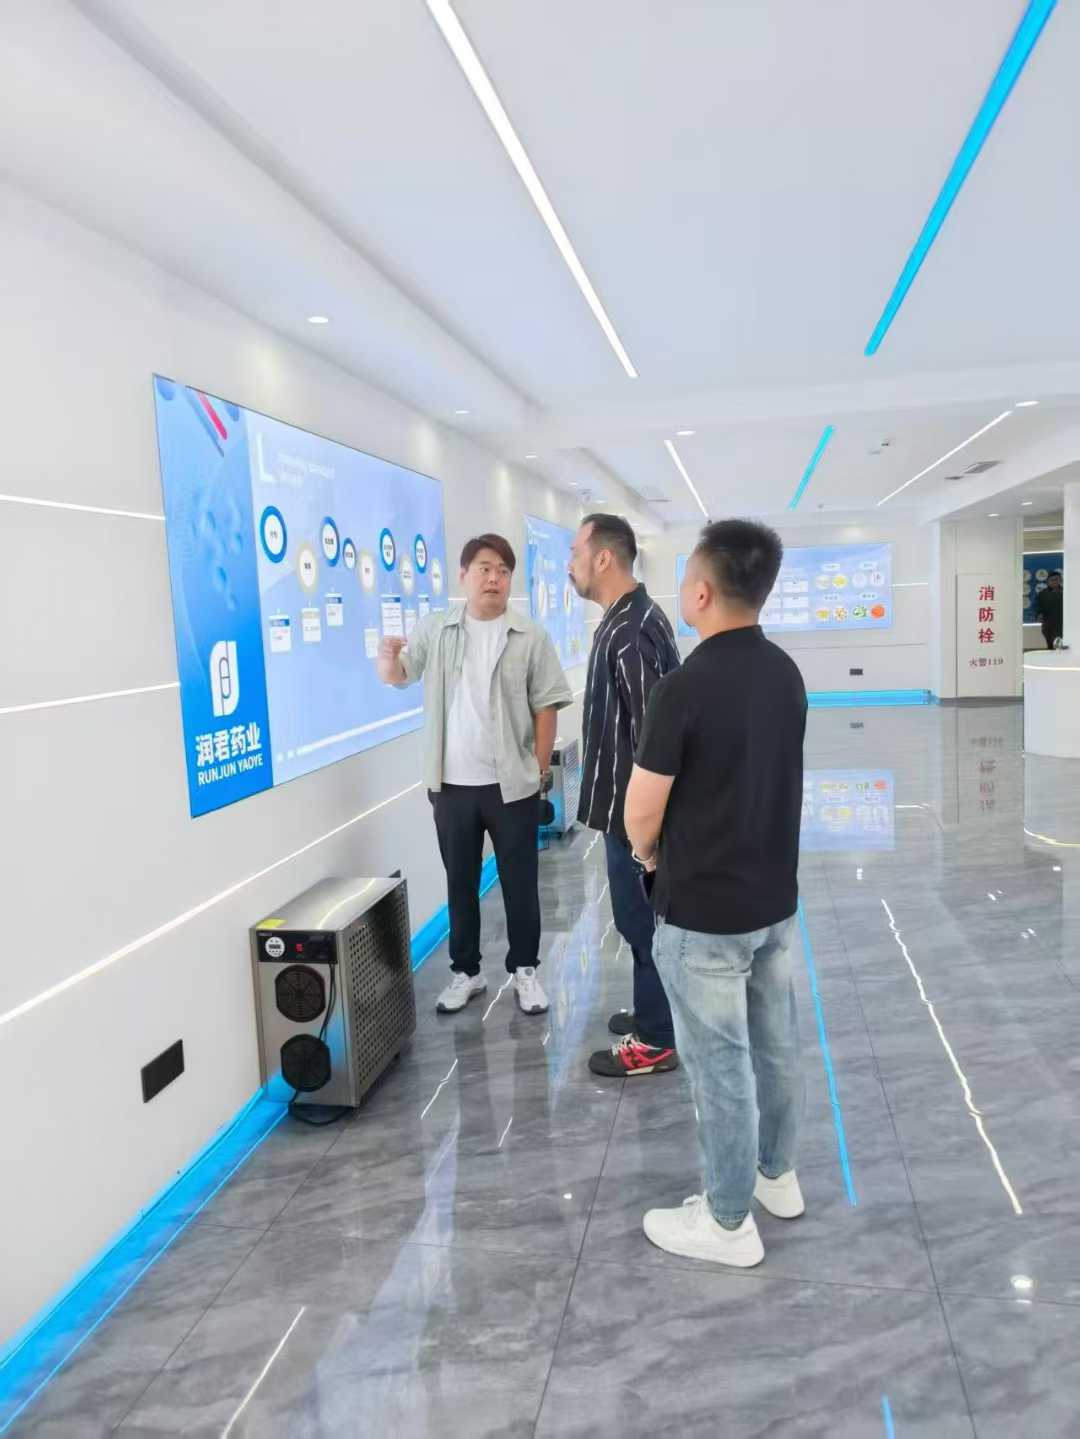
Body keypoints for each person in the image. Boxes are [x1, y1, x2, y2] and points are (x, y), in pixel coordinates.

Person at [625, 519, 807, 1269]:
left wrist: (646, 857)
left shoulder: (683, 689)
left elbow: (641, 813)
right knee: (776, 1045)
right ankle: (776, 1176)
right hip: (774, 904)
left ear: (702, 592)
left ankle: (729, 1222)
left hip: (702, 913)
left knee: (720, 1066)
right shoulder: (787, 673)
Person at [377, 533, 572, 1016]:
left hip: (512, 787)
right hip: (451, 786)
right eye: (484, 568)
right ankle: (466, 972)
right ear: (463, 575)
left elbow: (547, 705)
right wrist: (387, 659)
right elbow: (401, 674)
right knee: (459, 883)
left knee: (520, 883)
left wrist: (538, 768)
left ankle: (525, 970)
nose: (494, 578)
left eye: (503, 571)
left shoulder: (529, 636)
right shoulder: (436, 629)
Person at [569, 513, 681, 1077]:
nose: (570, 565)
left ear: (603, 558)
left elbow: (651, 740)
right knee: (638, 922)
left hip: (633, 815)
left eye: (575, 553)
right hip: (624, 809)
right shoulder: (624, 619)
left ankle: (656, 1040)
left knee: (642, 922)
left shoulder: (630, 631)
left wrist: (647, 830)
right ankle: (652, 1012)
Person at [1035, 570, 1063, 650]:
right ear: (1048, 582)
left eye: (1056, 579)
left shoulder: (1066, 592)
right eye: (1052, 580)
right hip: (1048, 626)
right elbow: (1037, 608)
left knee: (1063, 649)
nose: (1054, 582)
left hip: (1063, 625)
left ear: (1060, 580)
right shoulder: (1042, 594)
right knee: (1051, 648)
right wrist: (1038, 615)